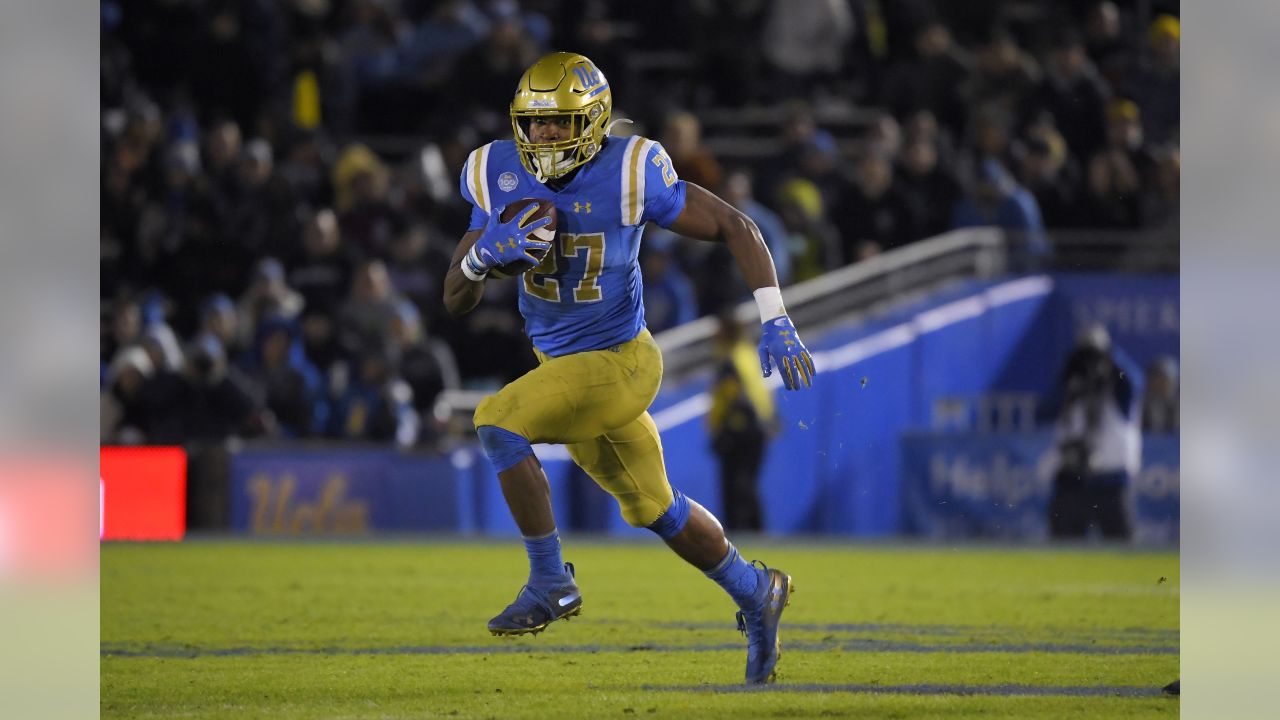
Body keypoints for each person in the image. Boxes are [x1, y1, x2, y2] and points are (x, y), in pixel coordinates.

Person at [442, 52, 815, 685]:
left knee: (496, 420)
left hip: (621, 361)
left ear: (592, 121)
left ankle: (550, 580)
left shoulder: (630, 170)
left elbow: (733, 223)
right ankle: (757, 591)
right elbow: (454, 297)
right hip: (563, 369)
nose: (544, 137)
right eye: (534, 125)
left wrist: (775, 317)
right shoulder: (494, 171)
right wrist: (480, 259)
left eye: (560, 123)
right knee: (655, 509)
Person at [1045, 324, 1143, 540]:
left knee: (1122, 550)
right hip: (1072, 480)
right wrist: (1072, 367)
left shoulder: (1117, 392)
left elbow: (1134, 382)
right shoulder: (1072, 390)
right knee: (1061, 550)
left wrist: (1109, 357)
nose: (1090, 364)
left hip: (1111, 482)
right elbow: (1044, 408)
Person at [708, 313, 778, 532]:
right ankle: (756, 530)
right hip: (758, 427)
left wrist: (720, 428)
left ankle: (742, 533)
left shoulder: (730, 359)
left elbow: (733, 395)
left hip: (738, 429)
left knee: (736, 486)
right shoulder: (748, 354)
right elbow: (759, 392)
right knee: (748, 483)